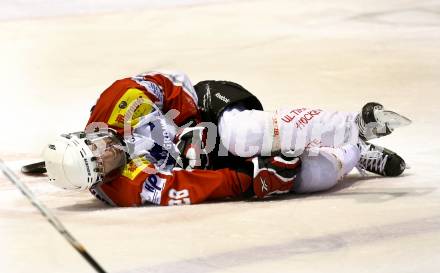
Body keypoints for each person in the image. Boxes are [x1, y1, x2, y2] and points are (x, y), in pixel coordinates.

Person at [43, 71, 410, 206]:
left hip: (207, 105)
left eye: (93, 146)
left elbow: (172, 84)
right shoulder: (128, 188)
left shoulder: (118, 100)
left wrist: (192, 124)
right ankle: (357, 151)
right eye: (99, 164)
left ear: (84, 134)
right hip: (204, 157)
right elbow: (198, 185)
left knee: (245, 133)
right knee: (310, 178)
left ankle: (352, 125)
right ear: (96, 179)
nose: (105, 153)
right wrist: (254, 180)